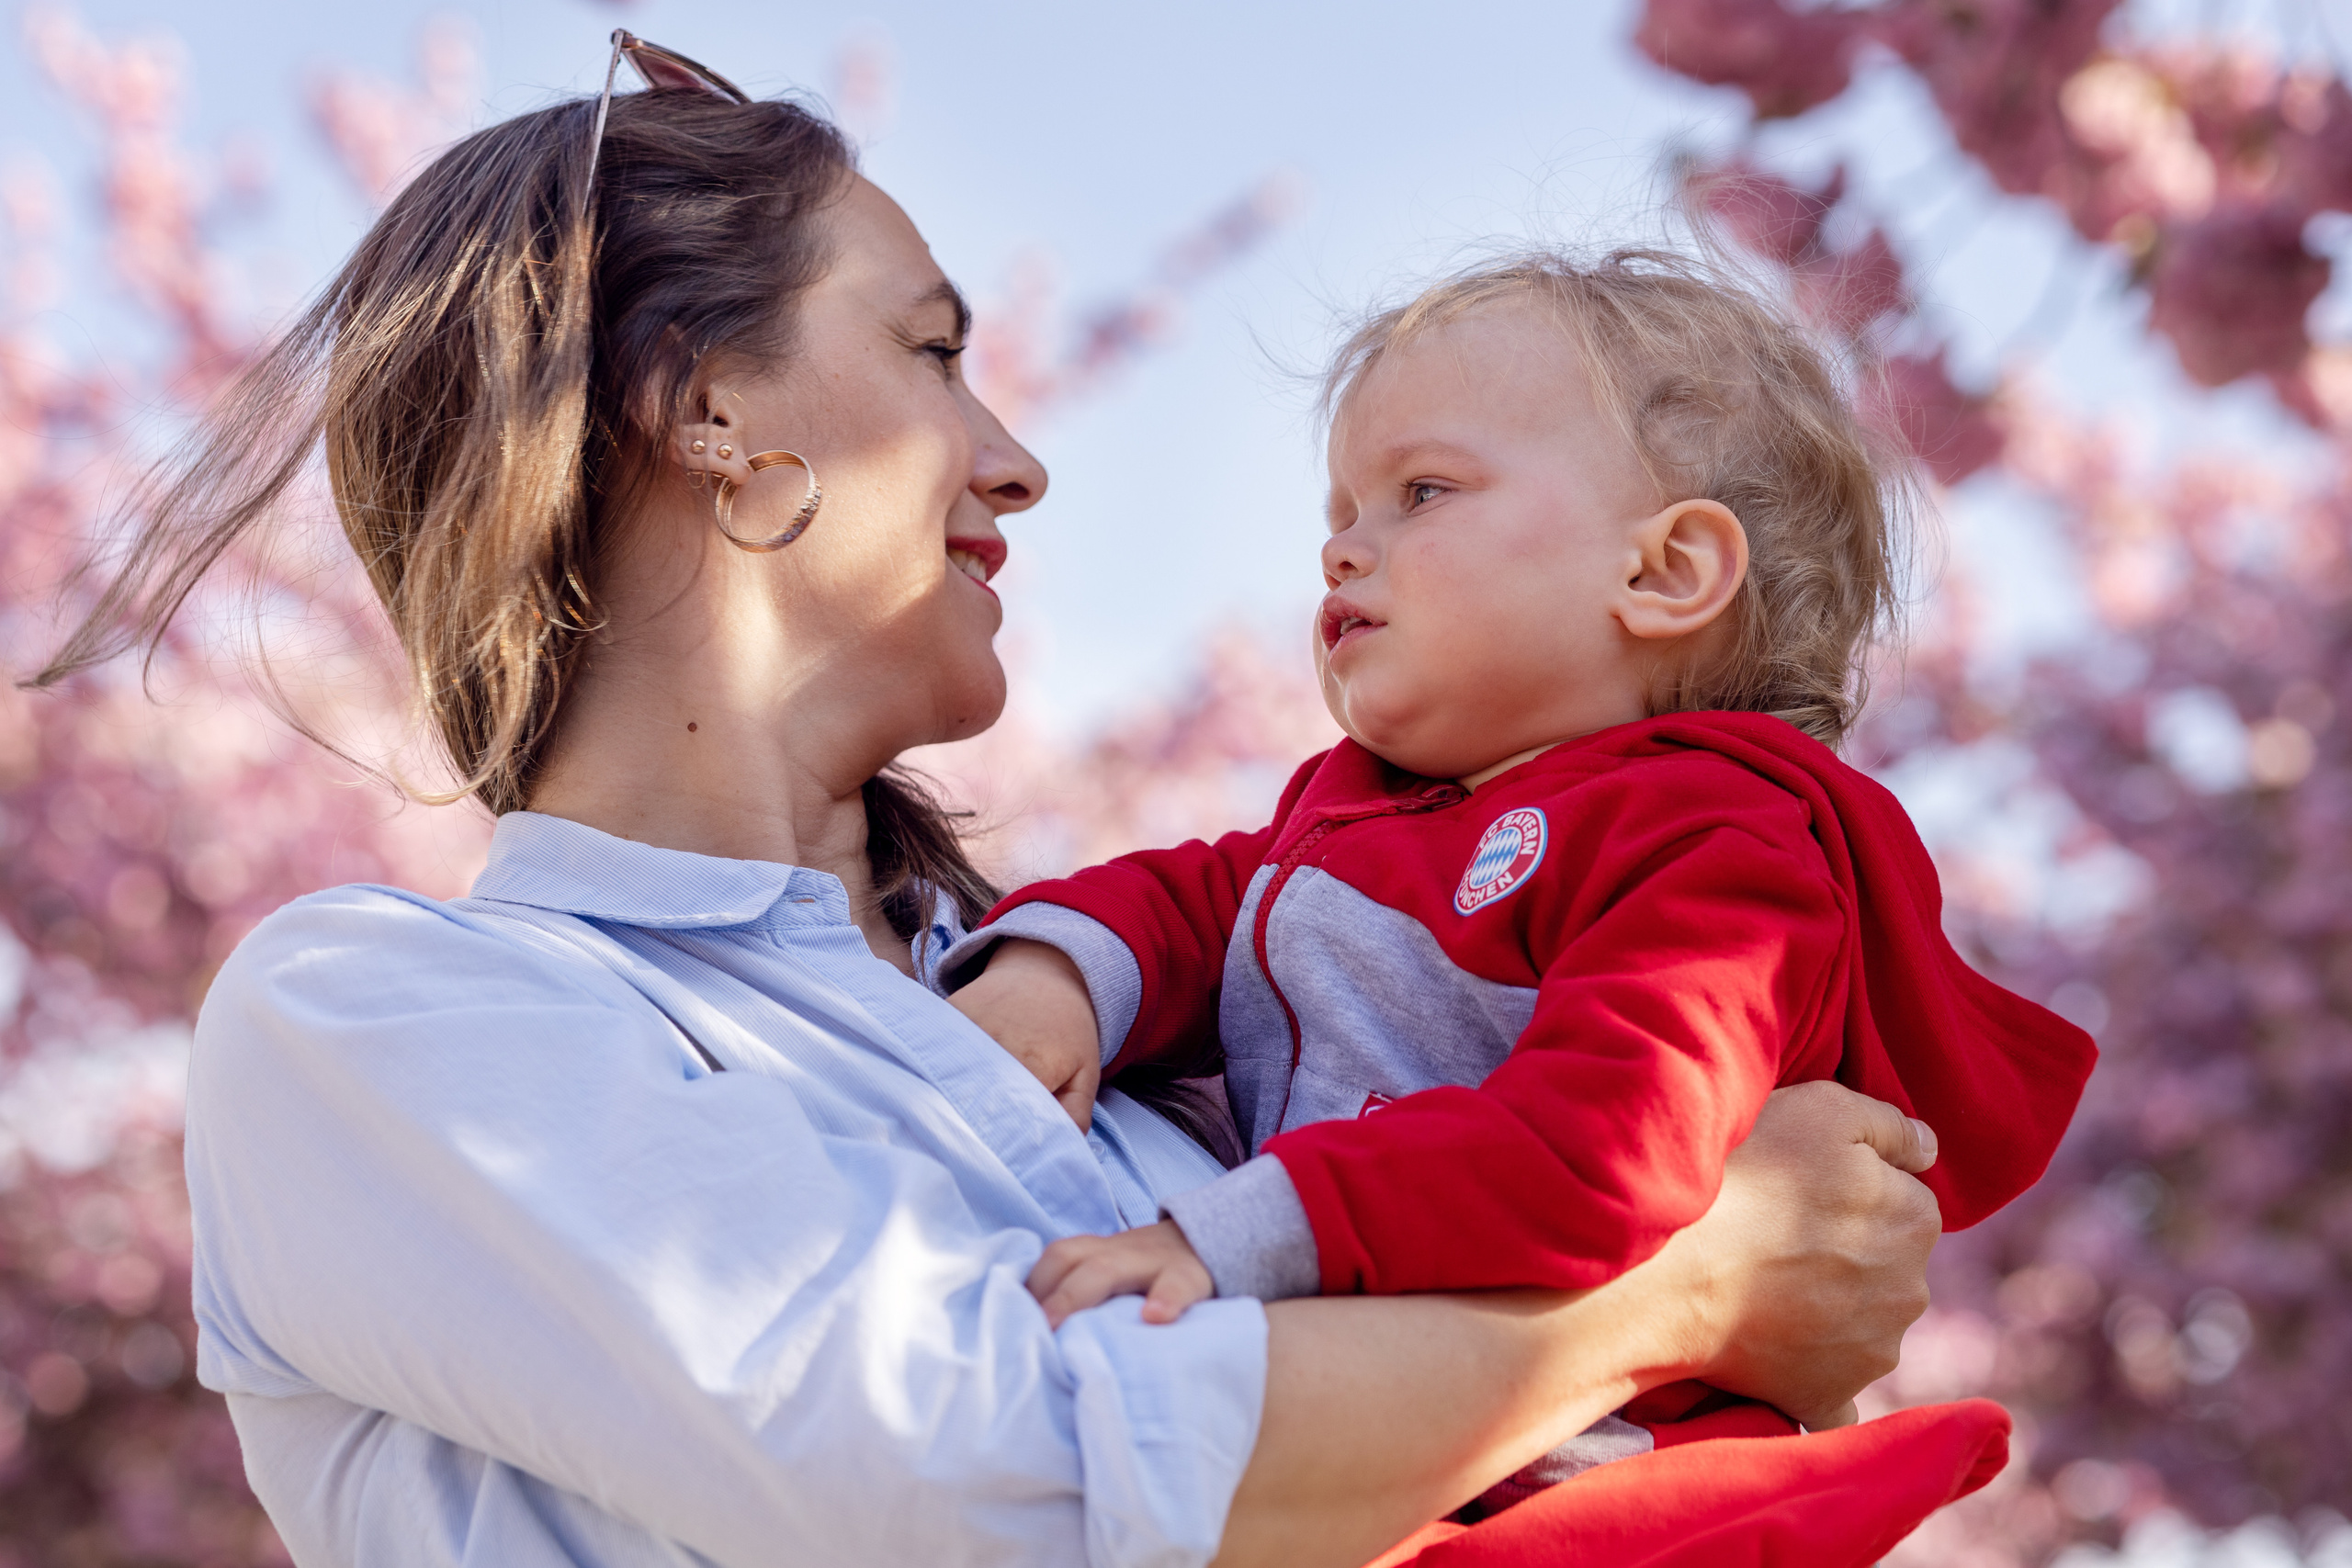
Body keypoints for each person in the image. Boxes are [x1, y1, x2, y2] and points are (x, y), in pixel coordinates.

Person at [30, 39, 1949, 1568]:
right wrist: (1683, 1284)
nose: (1017, 460)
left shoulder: (1158, 1037)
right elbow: (988, 1480)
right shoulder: (375, 1018)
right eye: (935, 351)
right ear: (702, 408)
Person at [941, 253, 2097, 1533]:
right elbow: (1209, 903)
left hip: (1598, 1489)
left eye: (1421, 492)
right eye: (1342, 509)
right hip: (1385, 1464)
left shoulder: (1719, 845)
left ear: (1664, 573)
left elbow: (1603, 1140)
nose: (1341, 549)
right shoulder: (1372, 813)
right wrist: (1059, 976)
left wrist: (1240, 1234)